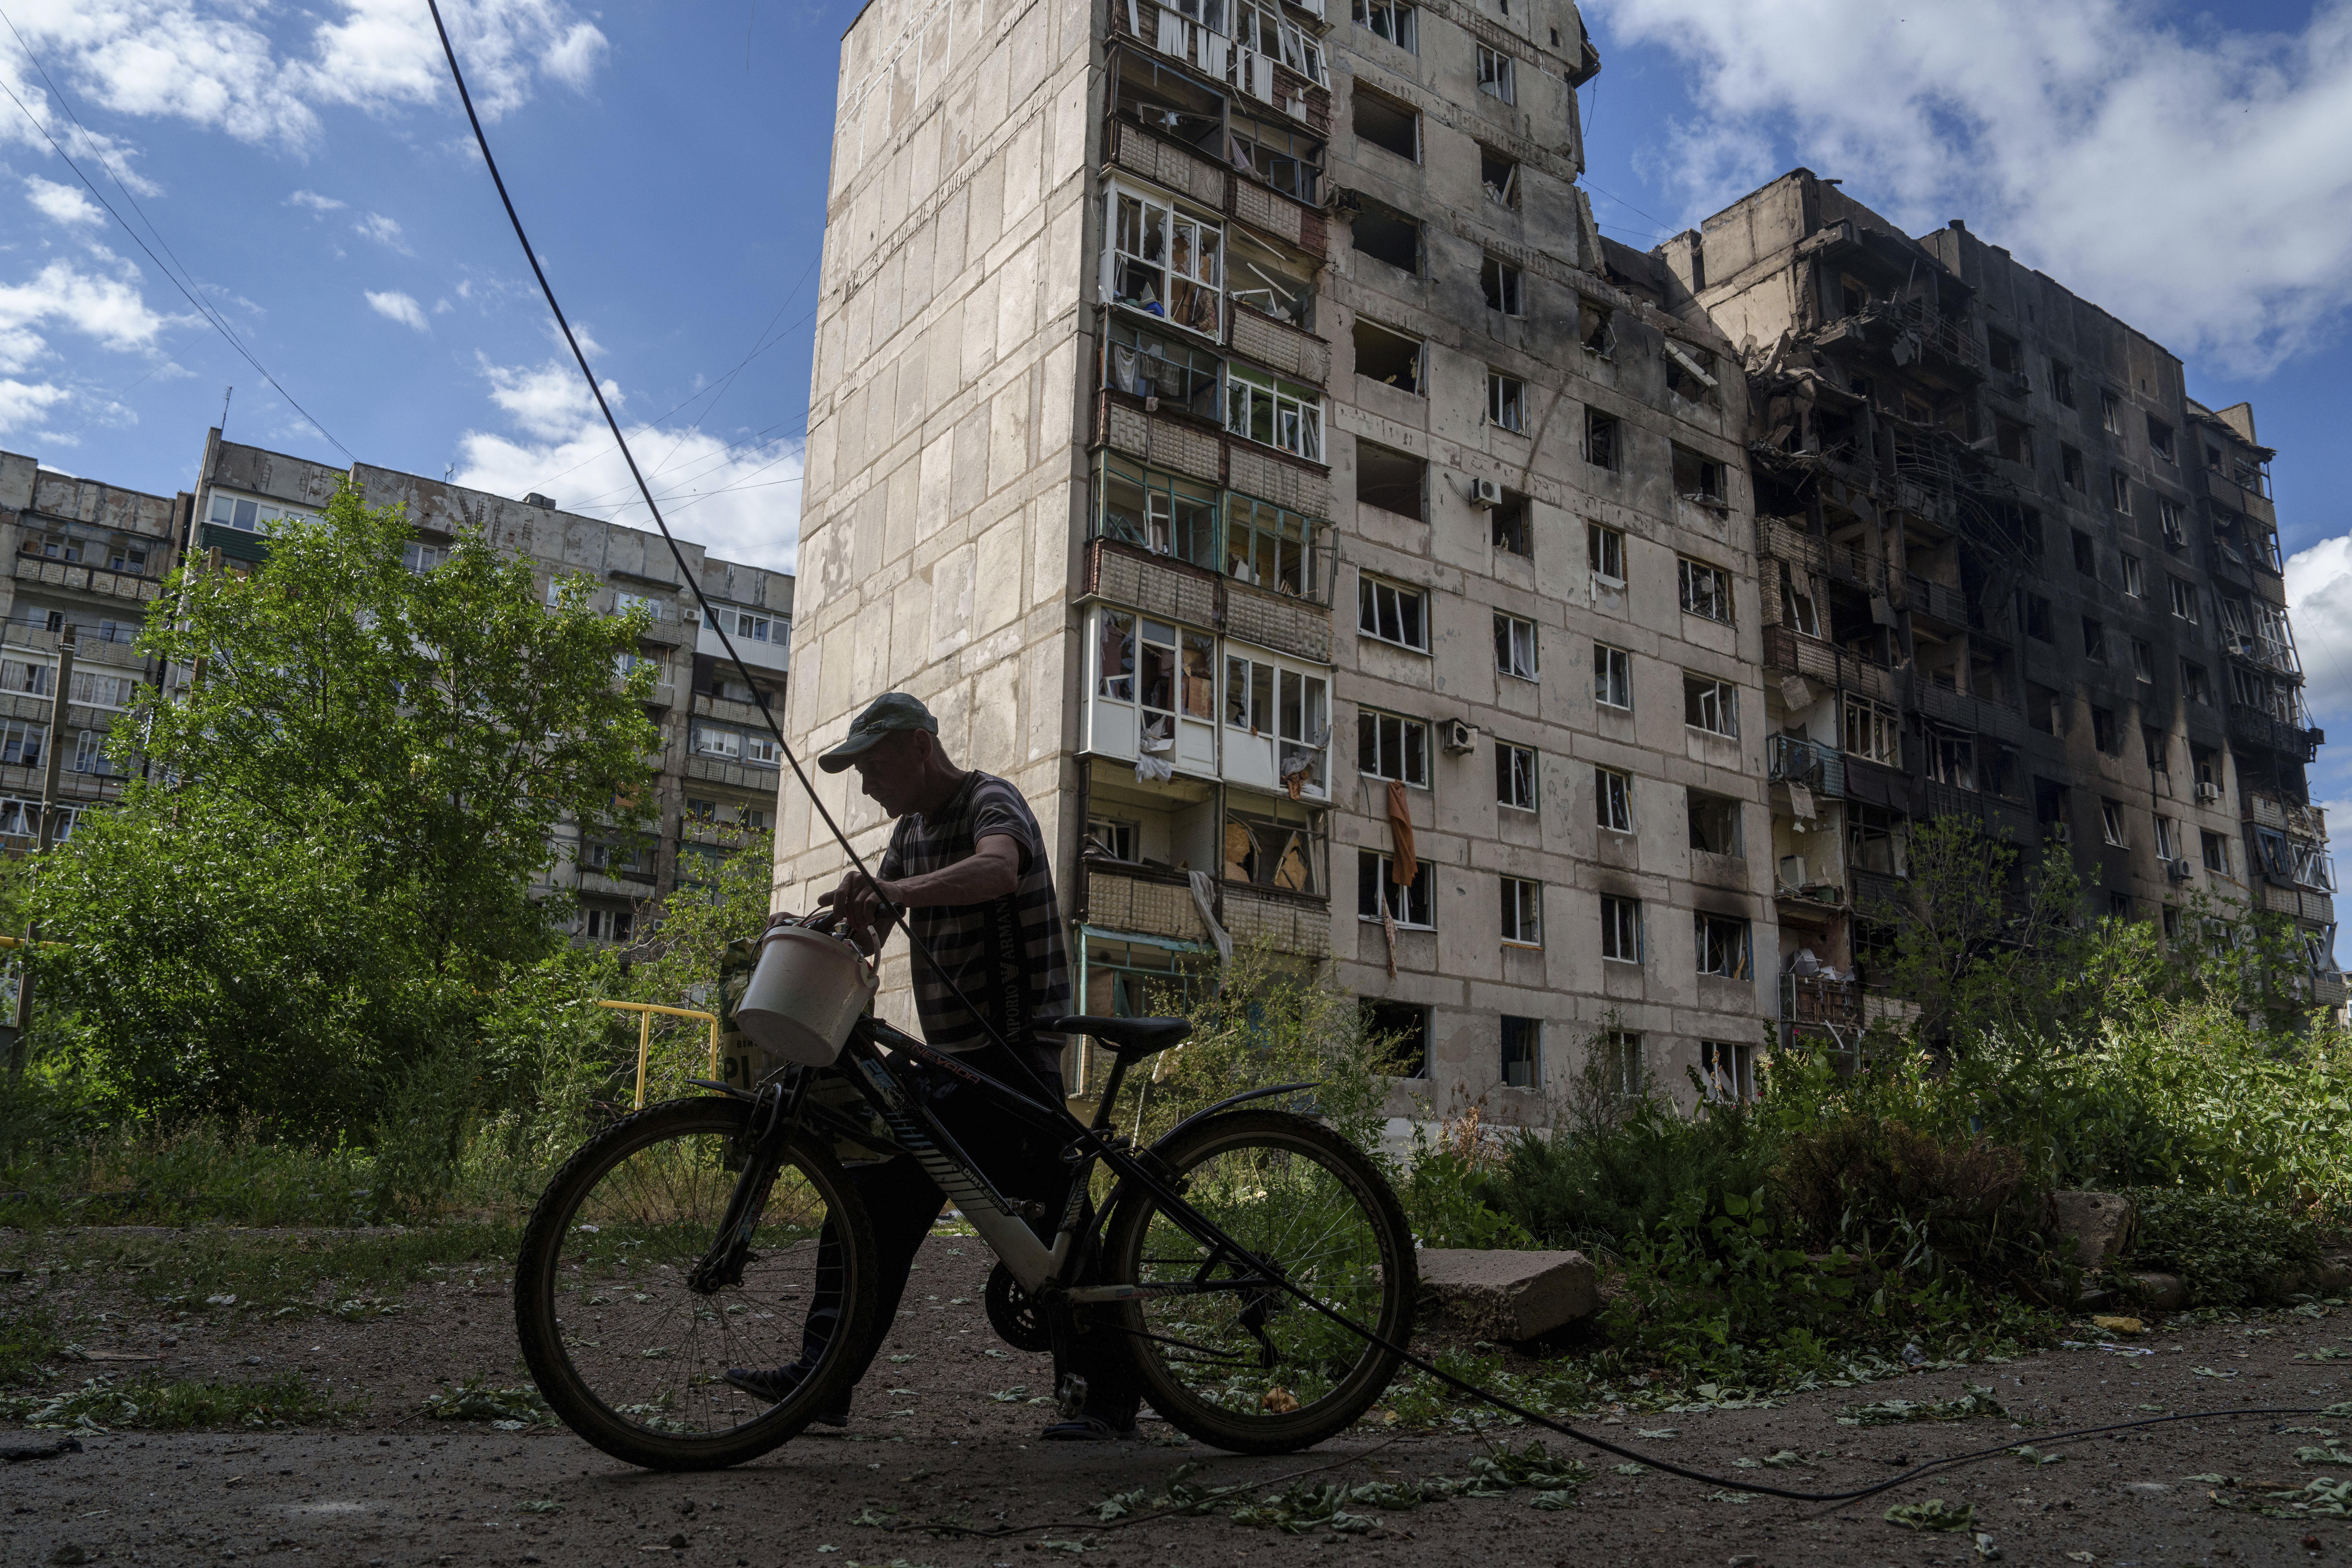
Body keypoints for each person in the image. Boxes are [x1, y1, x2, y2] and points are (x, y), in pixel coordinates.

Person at [725, 692, 1142, 1440]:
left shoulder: (990, 801)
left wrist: (898, 889)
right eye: (857, 771)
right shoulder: (910, 834)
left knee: (1056, 1228)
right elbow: (874, 919)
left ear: (921, 746)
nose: (866, 783)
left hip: (1014, 1061)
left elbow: (997, 871)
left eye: (874, 764)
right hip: (959, 1066)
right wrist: (812, 924)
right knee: (875, 1202)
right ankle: (825, 1382)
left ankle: (1108, 1404)